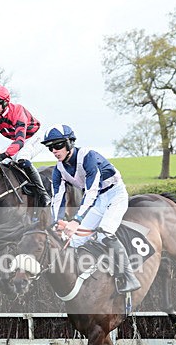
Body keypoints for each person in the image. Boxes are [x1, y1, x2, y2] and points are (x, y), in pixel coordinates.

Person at [42, 124, 140, 293]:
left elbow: (91, 191)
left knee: (105, 233)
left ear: (70, 143)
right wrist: (55, 223)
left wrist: (76, 220)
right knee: (73, 241)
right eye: (50, 148)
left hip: (115, 195)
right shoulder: (59, 170)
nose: (54, 151)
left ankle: (130, 277)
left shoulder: (88, 156)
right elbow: (58, 198)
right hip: (99, 200)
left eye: (58, 145)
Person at [0, 85, 51, 206]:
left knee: (22, 159)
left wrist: (4, 155)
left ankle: (43, 194)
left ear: (5, 102)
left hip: (34, 137)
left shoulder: (17, 110)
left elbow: (20, 140)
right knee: (5, 163)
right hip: (19, 140)